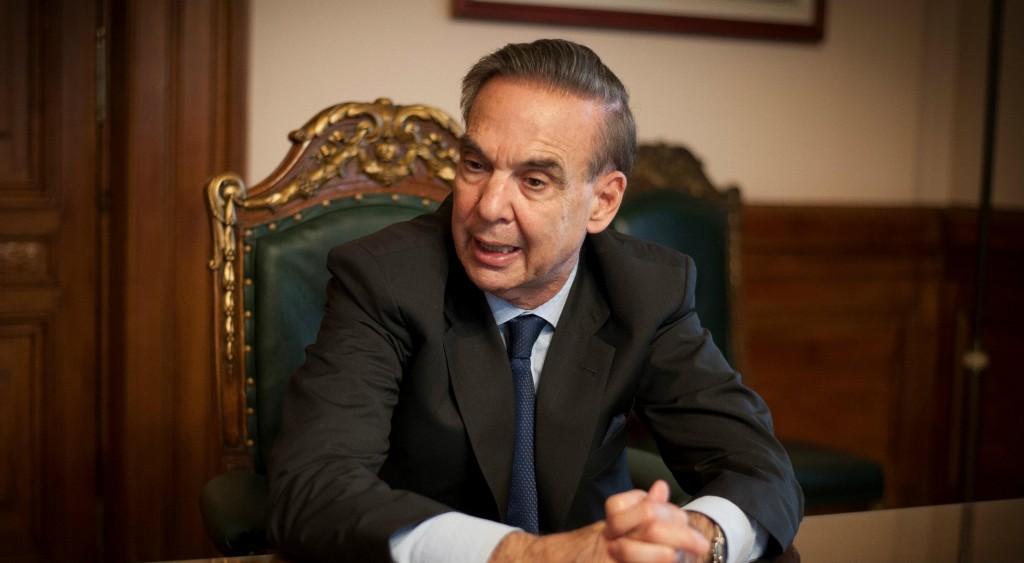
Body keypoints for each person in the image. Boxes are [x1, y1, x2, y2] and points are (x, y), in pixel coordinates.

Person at [268, 38, 803, 563]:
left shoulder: (645, 290)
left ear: (603, 202)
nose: (488, 207)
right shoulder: (384, 279)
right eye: (475, 165)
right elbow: (312, 488)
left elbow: (759, 470)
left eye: (534, 180)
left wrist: (695, 541)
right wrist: (526, 555)